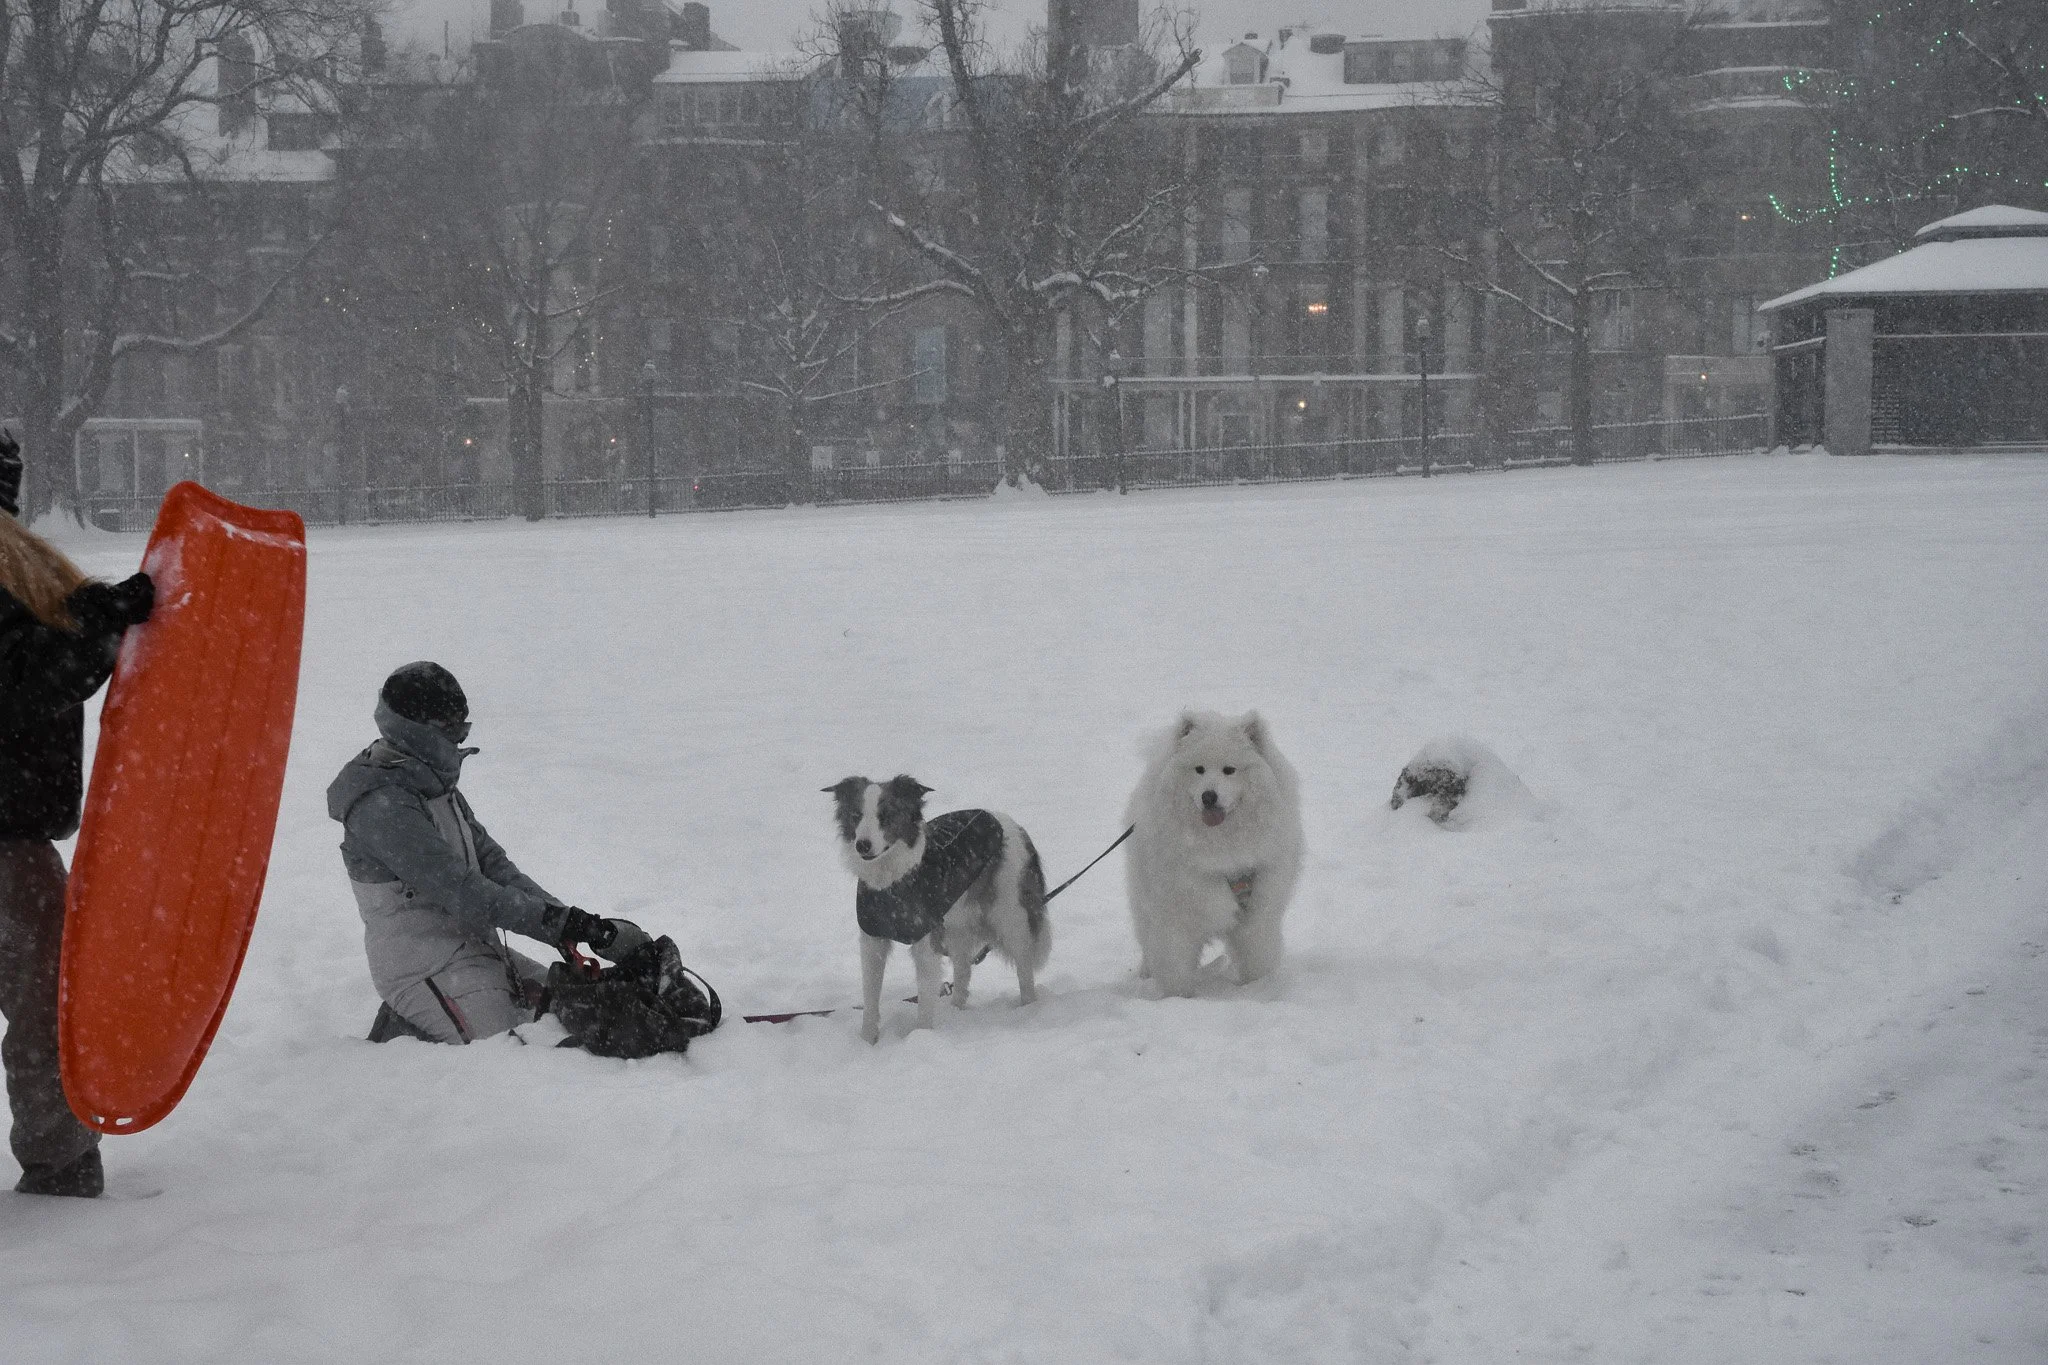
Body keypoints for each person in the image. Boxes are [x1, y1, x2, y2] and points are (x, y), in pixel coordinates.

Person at [328, 661, 650, 1044]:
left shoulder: (430, 781)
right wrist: (557, 922)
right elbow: (463, 891)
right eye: (451, 729)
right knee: (515, 1050)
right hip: (422, 966)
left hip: (477, 949)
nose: (459, 740)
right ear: (417, 731)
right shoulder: (383, 805)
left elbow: (493, 866)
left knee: (576, 1014)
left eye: (463, 727)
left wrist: (572, 925)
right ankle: (401, 1034)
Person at [0, 430, 154, 1197]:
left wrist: (92, 621)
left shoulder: (17, 570)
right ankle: (60, 1160)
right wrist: (94, 627)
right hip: (6, 847)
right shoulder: (14, 570)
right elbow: (18, 682)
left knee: (43, 1008)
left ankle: (61, 1155)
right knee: (42, 1010)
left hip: (15, 841)